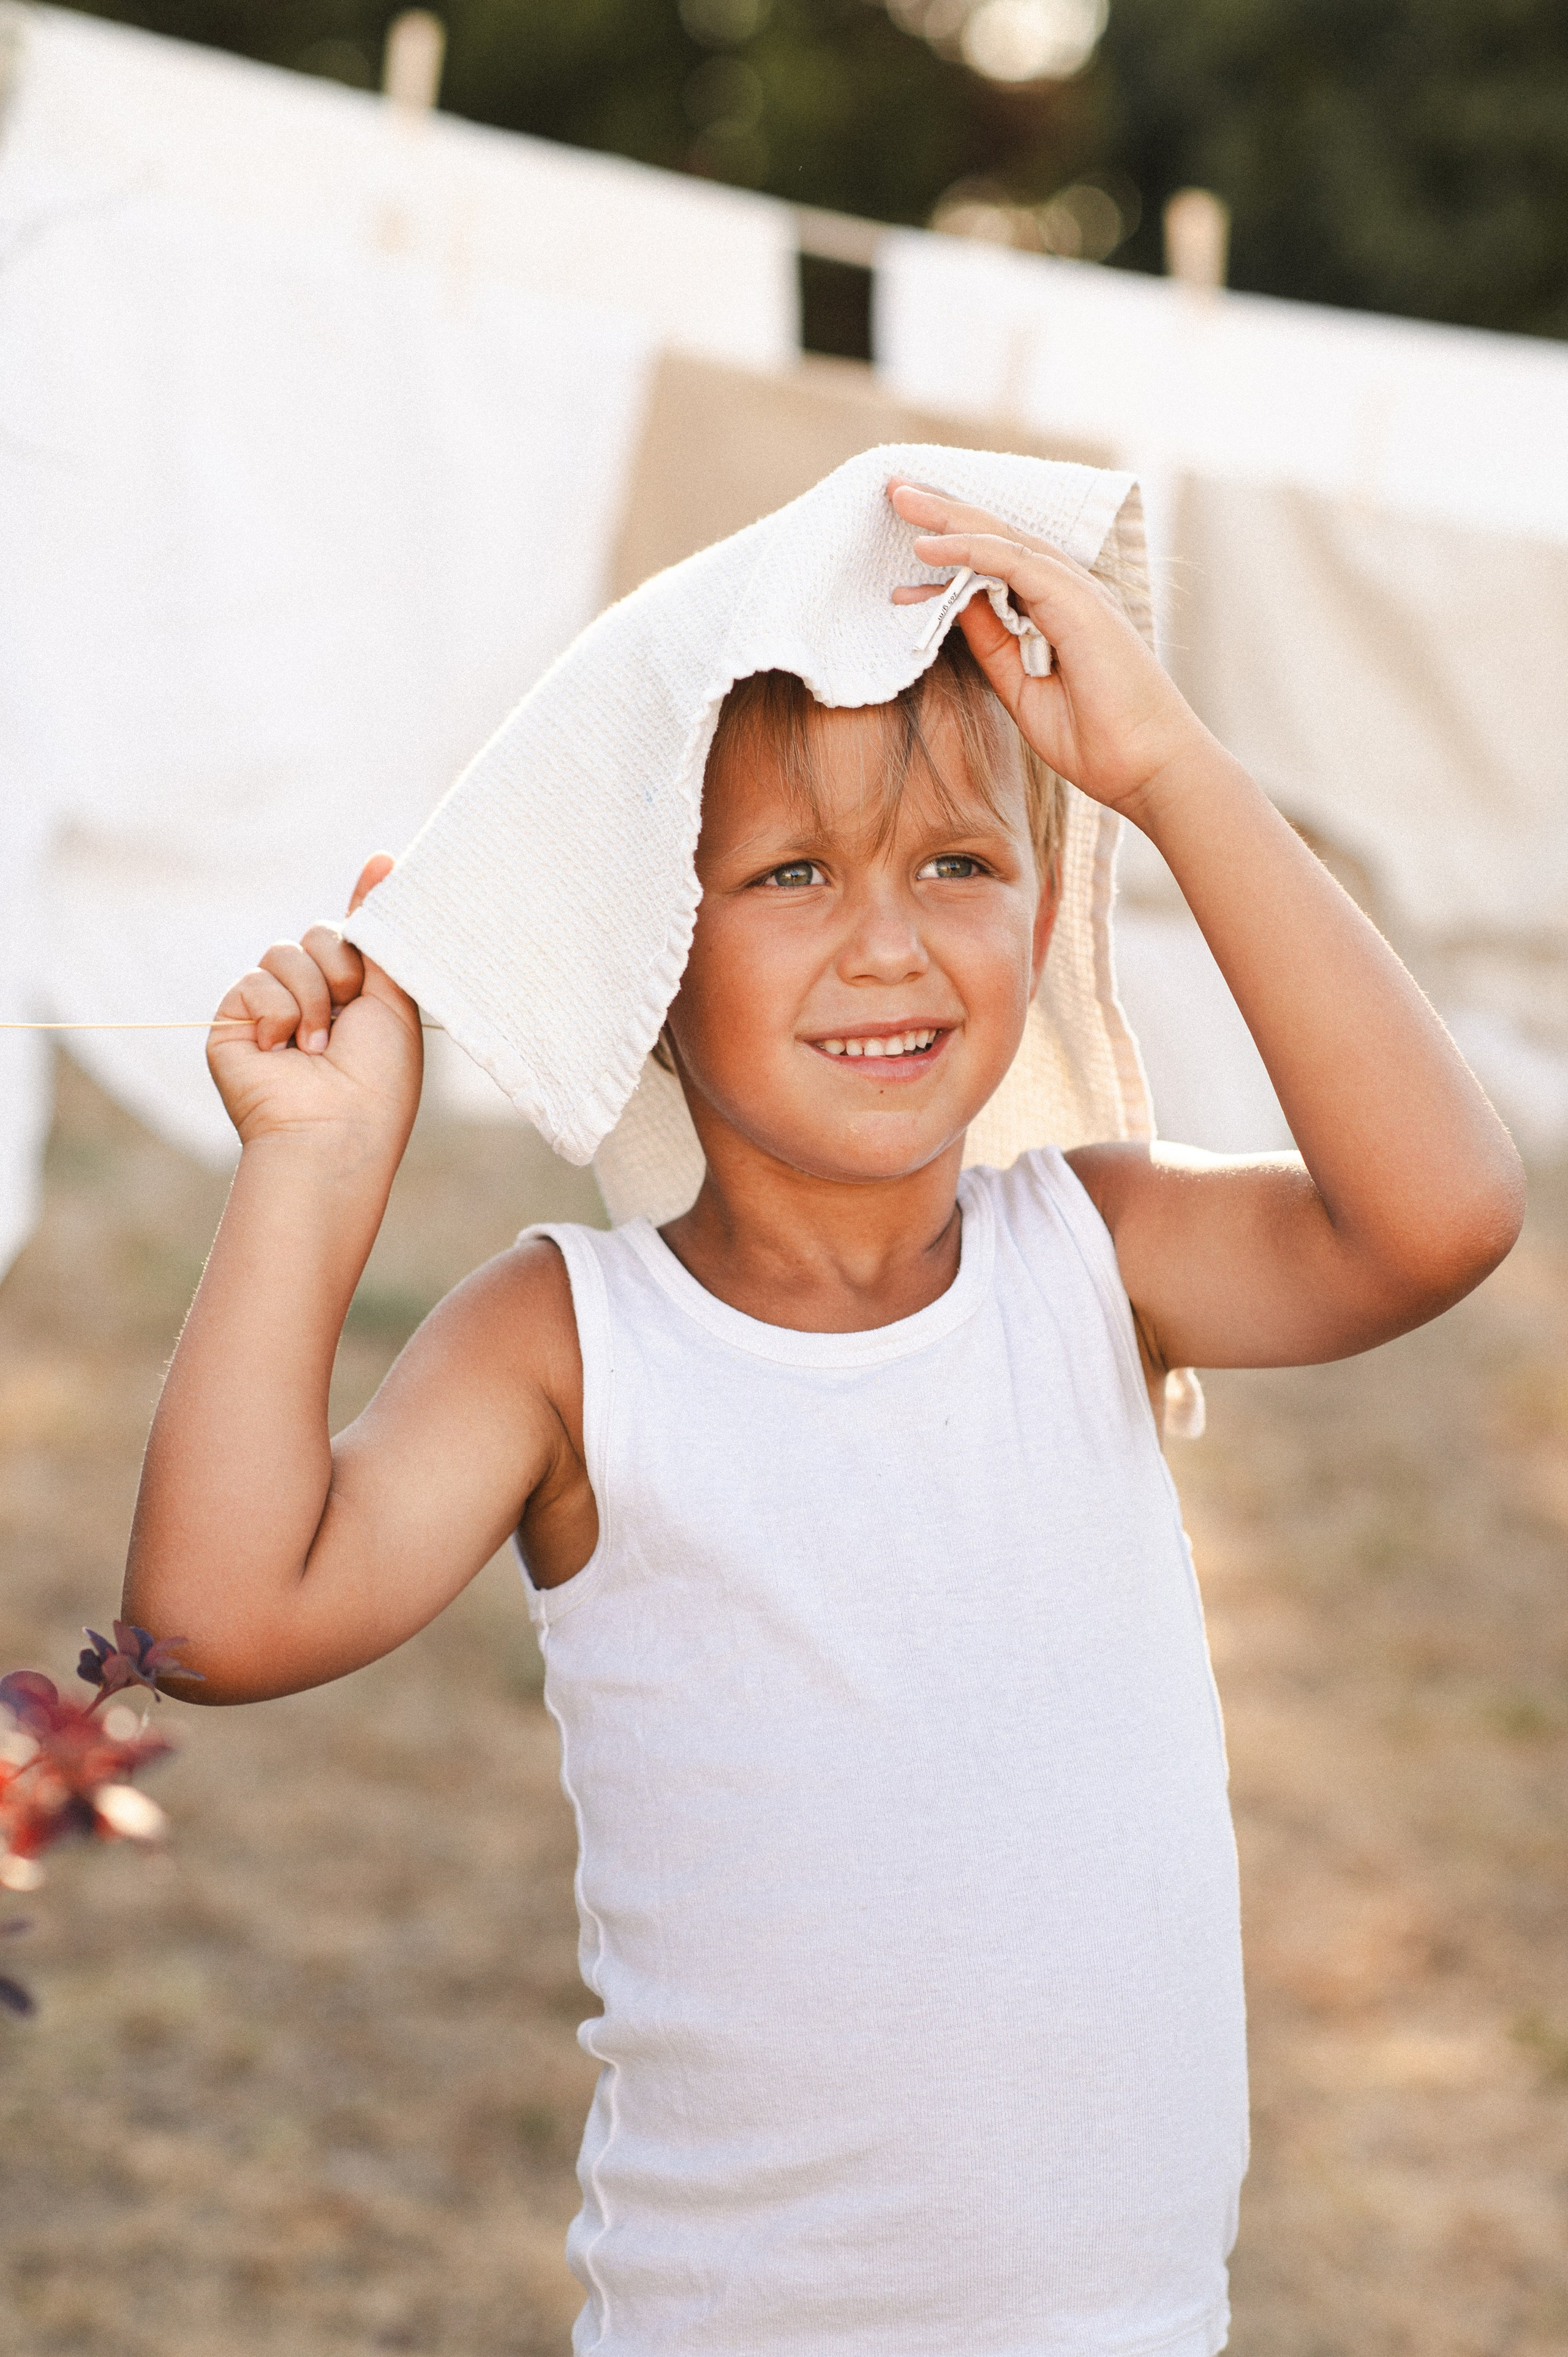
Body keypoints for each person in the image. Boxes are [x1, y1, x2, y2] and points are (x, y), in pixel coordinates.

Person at [125, 477, 1524, 2356]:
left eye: (960, 864)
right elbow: (211, 1623)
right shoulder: (573, 1342)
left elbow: (1439, 1219)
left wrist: (1171, 773)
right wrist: (316, 1168)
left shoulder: (1093, 1251)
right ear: (651, 954)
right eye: (792, 875)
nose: (890, 946)